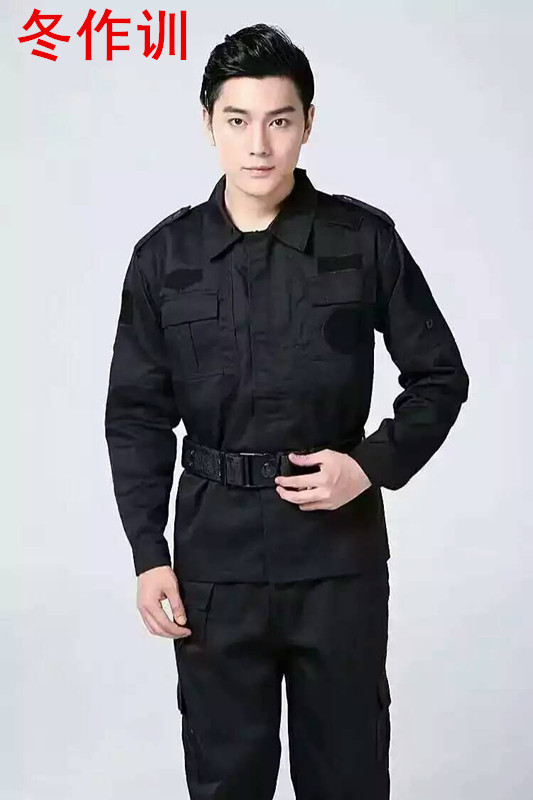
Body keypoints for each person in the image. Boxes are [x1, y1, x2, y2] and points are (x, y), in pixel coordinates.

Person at [104, 22, 469, 800]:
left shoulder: (361, 241)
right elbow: (136, 416)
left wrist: (366, 467)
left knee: (347, 776)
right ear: (208, 123)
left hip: (336, 558)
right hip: (213, 563)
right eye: (237, 120)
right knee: (225, 779)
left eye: (279, 120)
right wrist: (148, 552)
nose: (259, 145)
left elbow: (439, 377)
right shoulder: (164, 258)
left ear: (307, 123)